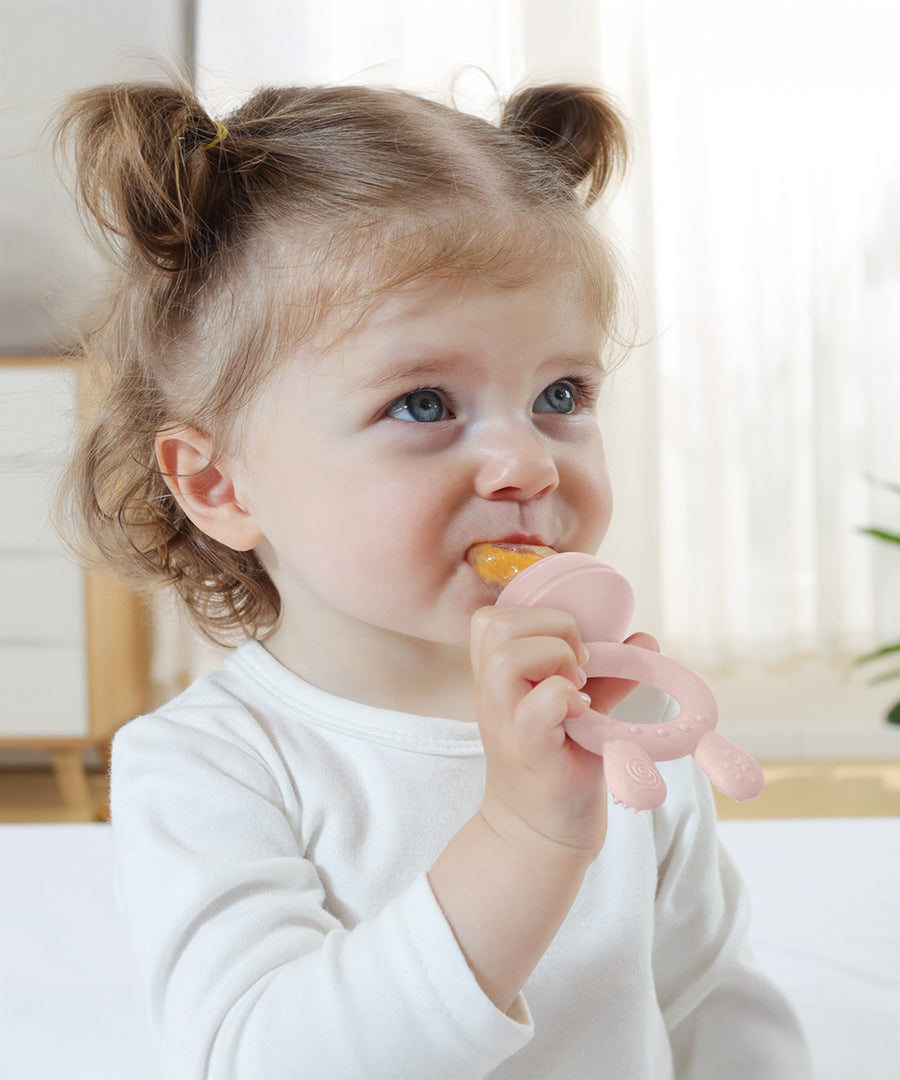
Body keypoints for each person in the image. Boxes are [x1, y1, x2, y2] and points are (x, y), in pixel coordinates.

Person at [54, 76, 811, 1078]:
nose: (529, 463)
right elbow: (264, 1059)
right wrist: (524, 836)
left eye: (559, 393)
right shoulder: (211, 765)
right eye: (423, 405)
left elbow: (712, 1005)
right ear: (220, 482)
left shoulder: (620, 720)